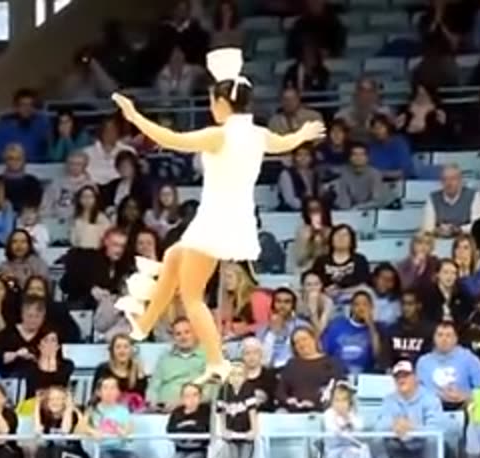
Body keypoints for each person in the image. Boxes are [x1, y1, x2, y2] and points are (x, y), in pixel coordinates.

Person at [112, 47, 325, 385]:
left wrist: (135, 117)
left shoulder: (220, 134)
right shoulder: (258, 134)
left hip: (216, 220)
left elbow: (173, 139)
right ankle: (145, 323)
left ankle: (215, 361)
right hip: (230, 217)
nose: (211, 108)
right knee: (172, 255)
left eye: (213, 102)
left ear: (224, 104)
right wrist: (302, 135)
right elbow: (284, 143)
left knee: (193, 294)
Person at [417, 321, 480, 410]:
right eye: (440, 335)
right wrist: (438, 395)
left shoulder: (469, 359)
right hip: (433, 411)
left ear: (456, 339)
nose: (444, 339)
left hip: (465, 408)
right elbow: (417, 393)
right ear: (434, 338)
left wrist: (466, 396)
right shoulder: (423, 362)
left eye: (448, 335)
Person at [320, 381, 374, 458]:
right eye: (337, 400)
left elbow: (360, 429)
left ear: (349, 402)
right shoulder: (328, 415)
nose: (340, 404)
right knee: (359, 452)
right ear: (332, 401)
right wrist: (344, 425)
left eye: (344, 400)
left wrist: (348, 418)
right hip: (333, 453)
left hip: (350, 450)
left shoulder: (353, 415)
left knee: (365, 451)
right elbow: (336, 432)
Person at [322, 291, 383, 375]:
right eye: (357, 304)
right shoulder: (337, 325)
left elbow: (378, 355)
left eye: (365, 304)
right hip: (338, 374)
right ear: (351, 307)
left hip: (365, 375)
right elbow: (325, 353)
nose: (361, 308)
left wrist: (370, 325)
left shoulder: (378, 328)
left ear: (371, 307)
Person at [0, 88, 52, 163]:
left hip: (37, 169)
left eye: (31, 105)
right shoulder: (0, 128)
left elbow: (49, 155)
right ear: (15, 107)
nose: (27, 109)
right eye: (23, 105)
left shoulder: (41, 126)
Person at [422, 165, 480, 238]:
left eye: (453, 179)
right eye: (445, 179)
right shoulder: (433, 198)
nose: (449, 183)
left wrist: (459, 229)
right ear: (441, 182)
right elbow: (427, 227)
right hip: (440, 240)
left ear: (460, 180)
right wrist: (437, 230)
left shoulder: (474, 195)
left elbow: (478, 226)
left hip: (466, 241)